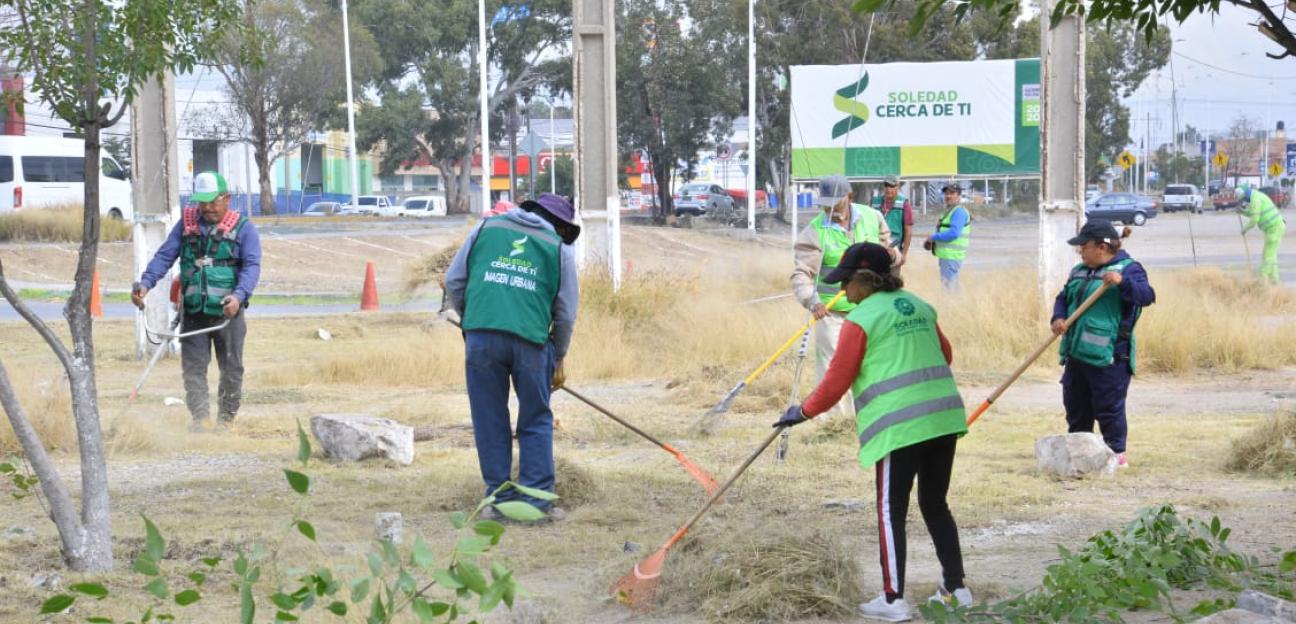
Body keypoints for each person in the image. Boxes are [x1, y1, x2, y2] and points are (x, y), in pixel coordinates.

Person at [776, 242, 971, 622]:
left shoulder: (861, 319)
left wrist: (801, 412)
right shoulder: (919, 305)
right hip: (943, 420)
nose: (843, 291)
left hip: (899, 427)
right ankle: (956, 590)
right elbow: (944, 355)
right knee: (935, 504)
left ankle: (893, 599)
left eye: (846, 282)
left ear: (863, 281)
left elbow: (837, 381)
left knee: (890, 510)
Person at [445, 193, 580, 522]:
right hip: (531, 343)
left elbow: (454, 282)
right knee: (535, 419)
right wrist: (558, 356)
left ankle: (498, 501)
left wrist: (472, 320)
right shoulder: (558, 248)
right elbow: (565, 314)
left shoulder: (485, 229)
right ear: (560, 224)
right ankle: (534, 506)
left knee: (489, 420)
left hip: (481, 338)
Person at [132, 171, 261, 431]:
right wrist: (145, 284)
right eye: (202, 202)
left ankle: (225, 421)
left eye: (213, 202)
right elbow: (164, 257)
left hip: (228, 314)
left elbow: (252, 267)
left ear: (227, 198)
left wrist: (238, 297)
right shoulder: (186, 224)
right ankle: (200, 420)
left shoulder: (244, 228)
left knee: (232, 368)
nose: (207, 208)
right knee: (193, 369)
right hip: (193, 311)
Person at [1051, 219, 1155, 468]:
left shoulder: (1129, 269)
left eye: (1083, 246)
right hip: (1076, 353)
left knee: (1108, 408)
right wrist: (1058, 317)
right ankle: (1080, 455)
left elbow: (1147, 296)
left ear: (1101, 246)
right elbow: (1063, 297)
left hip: (1110, 357)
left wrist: (1122, 283)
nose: (1080, 251)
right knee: (1076, 407)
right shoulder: (1079, 270)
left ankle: (1116, 457)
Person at [792, 175, 894, 422]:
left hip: (871, 310)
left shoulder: (873, 217)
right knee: (833, 367)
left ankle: (871, 416)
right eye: (825, 204)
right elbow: (801, 274)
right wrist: (812, 301)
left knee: (872, 363)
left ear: (849, 197)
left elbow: (888, 252)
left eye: (835, 203)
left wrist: (894, 257)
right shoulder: (814, 231)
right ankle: (834, 422)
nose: (829, 209)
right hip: (831, 312)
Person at [923, 181, 971, 291]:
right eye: (946, 193)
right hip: (947, 256)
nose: (948, 196)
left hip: (951, 257)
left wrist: (933, 237)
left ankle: (955, 308)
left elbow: (954, 233)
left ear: (958, 196)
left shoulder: (958, 212)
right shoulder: (950, 210)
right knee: (950, 287)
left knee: (949, 290)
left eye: (952, 193)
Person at [1237, 185, 1286, 285]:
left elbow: (1255, 218)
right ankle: (1275, 279)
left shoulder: (1255, 199)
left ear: (1245, 195)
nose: (1244, 201)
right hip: (1273, 228)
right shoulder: (1256, 197)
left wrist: (1245, 229)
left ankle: (1261, 279)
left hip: (1274, 228)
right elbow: (1253, 212)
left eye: (1243, 199)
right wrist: (1242, 212)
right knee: (1271, 255)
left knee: (1267, 256)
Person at [871, 175, 913, 273]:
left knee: (892, 282)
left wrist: (904, 253)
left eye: (892, 186)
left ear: (898, 187)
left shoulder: (904, 204)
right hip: (876, 250)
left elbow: (908, 231)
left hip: (894, 251)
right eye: (886, 185)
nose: (888, 189)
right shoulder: (874, 202)